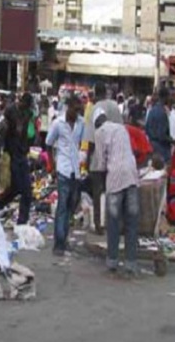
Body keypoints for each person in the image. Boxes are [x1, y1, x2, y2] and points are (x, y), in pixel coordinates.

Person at [93, 110, 140, 276]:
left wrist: (100, 185)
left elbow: (101, 162)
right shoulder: (121, 128)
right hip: (132, 176)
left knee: (113, 222)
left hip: (115, 179)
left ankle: (112, 261)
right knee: (131, 222)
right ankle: (131, 263)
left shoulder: (99, 133)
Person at [46, 94, 84, 256]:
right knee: (62, 206)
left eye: (78, 110)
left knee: (70, 206)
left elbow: (79, 144)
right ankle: (58, 243)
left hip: (75, 170)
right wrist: (52, 167)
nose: (76, 113)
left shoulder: (81, 123)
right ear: (68, 108)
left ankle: (65, 239)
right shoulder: (58, 123)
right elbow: (48, 144)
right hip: (62, 169)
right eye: (75, 110)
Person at [84, 82, 123, 236]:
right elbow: (121, 130)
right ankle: (114, 223)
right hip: (113, 155)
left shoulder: (94, 110)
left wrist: (88, 161)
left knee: (97, 192)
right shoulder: (114, 107)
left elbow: (91, 140)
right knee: (113, 191)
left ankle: (98, 224)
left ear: (95, 93)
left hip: (98, 158)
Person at [0, 93, 34, 225]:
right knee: (17, 187)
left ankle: (22, 221)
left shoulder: (27, 113)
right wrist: (0, 152)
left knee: (26, 190)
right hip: (11, 153)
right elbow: (3, 132)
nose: (25, 109)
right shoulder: (10, 111)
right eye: (24, 106)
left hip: (21, 153)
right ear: (21, 102)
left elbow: (28, 133)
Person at [145, 88, 172, 163]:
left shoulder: (152, 111)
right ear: (165, 97)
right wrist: (173, 141)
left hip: (152, 147)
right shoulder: (162, 113)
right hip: (162, 150)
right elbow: (162, 135)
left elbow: (146, 129)